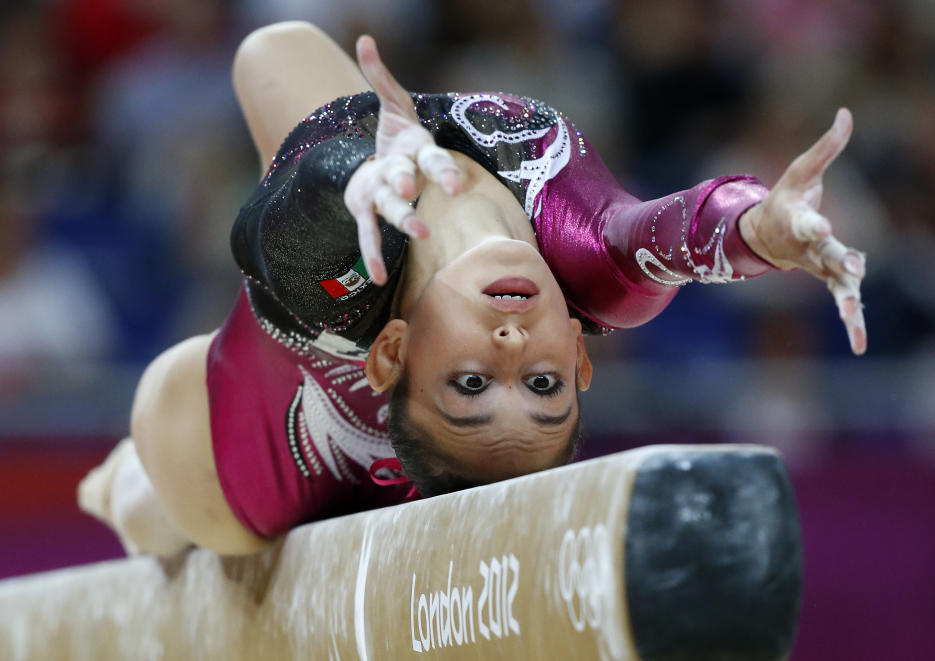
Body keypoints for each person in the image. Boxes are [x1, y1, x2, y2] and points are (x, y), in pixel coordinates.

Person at [78, 22, 866, 556]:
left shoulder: (345, 283)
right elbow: (673, 235)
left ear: (391, 351)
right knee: (283, 45)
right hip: (384, 444)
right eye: (545, 383)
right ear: (584, 361)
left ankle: (120, 487)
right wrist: (760, 228)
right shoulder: (593, 272)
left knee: (153, 515)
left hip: (232, 466)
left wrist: (347, 174)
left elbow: (269, 227)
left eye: (472, 381)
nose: (513, 345)